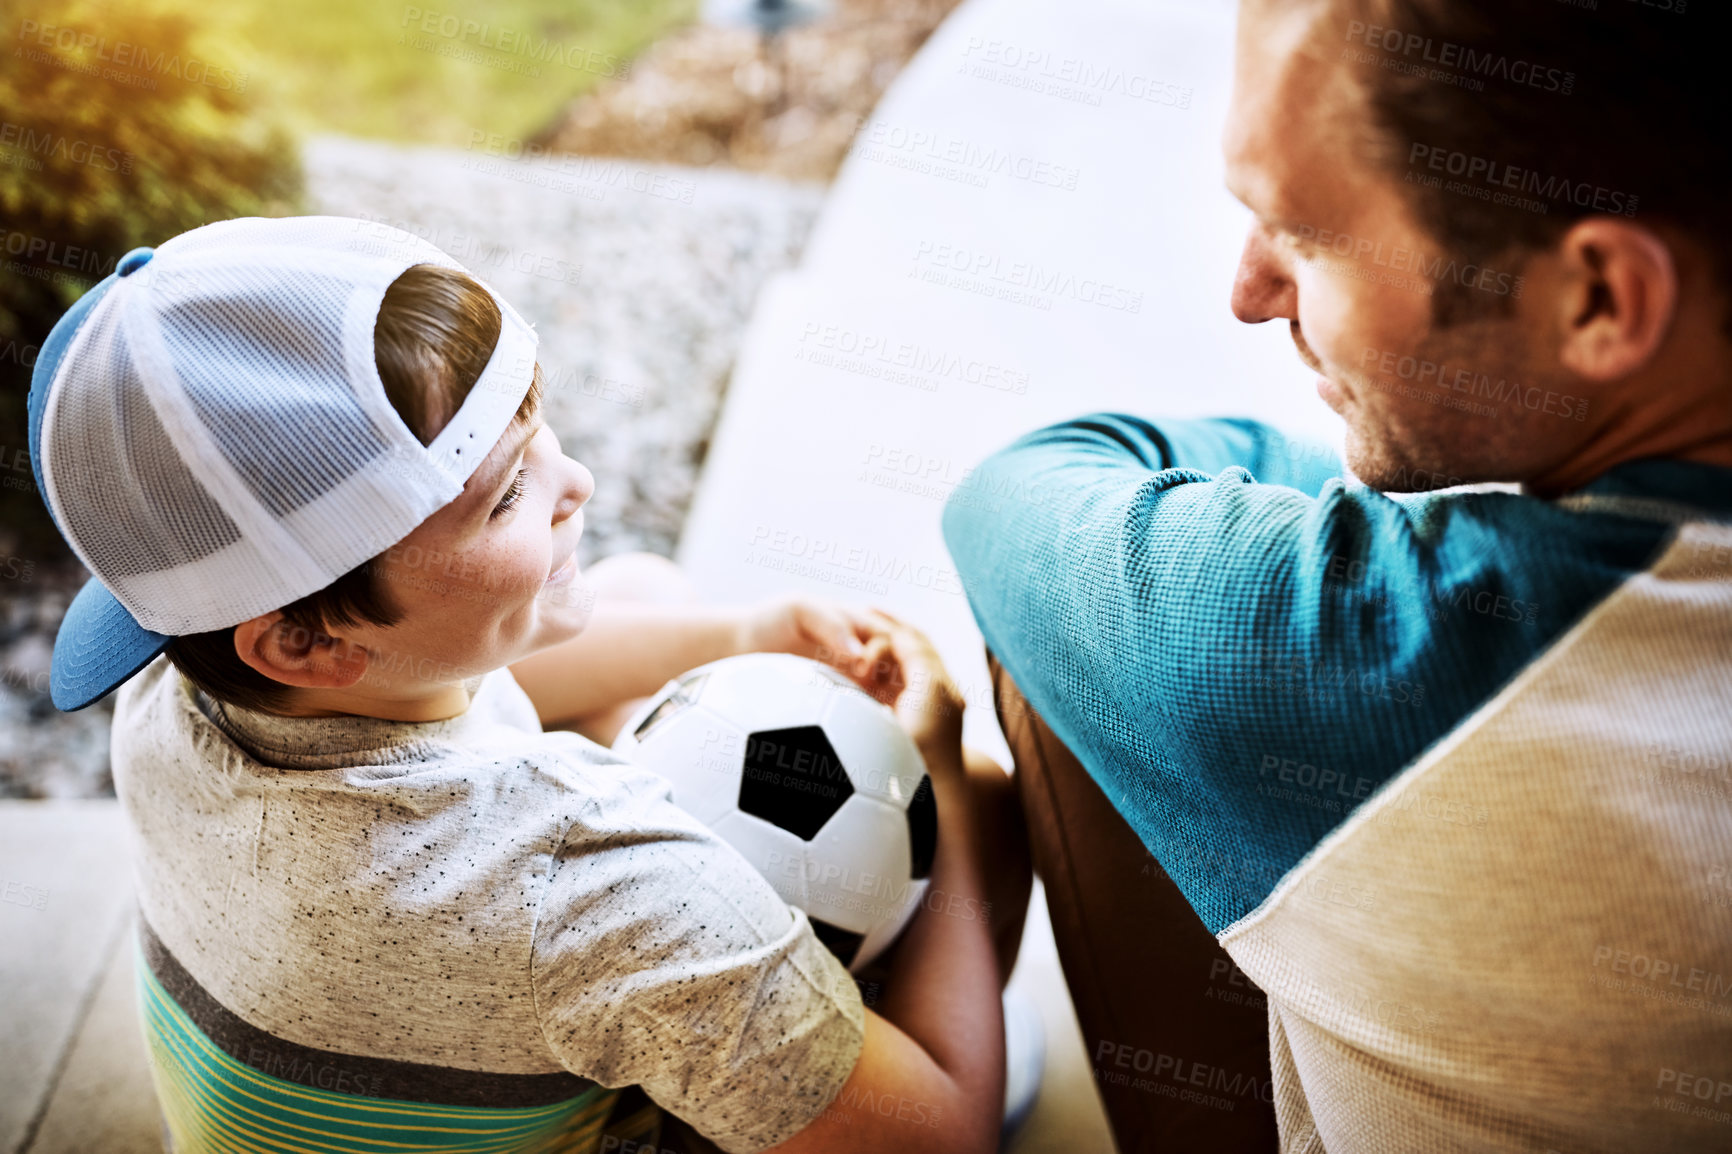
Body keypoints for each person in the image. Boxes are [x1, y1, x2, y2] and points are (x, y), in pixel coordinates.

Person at [28, 215, 1031, 1154]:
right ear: (301, 639)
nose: (577, 478)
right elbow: (943, 1131)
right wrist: (936, 761)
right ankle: (913, 1025)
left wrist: (741, 631)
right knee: (967, 806)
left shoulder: (171, 679)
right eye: (508, 491)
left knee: (642, 594)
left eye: (535, 418)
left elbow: (461, 675)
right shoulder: (591, 885)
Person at [942, 0, 1732, 1150]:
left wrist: (1350, 537)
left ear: (1600, 299)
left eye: (1302, 235)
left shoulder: (1403, 661)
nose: (1252, 291)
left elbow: (1020, 494)